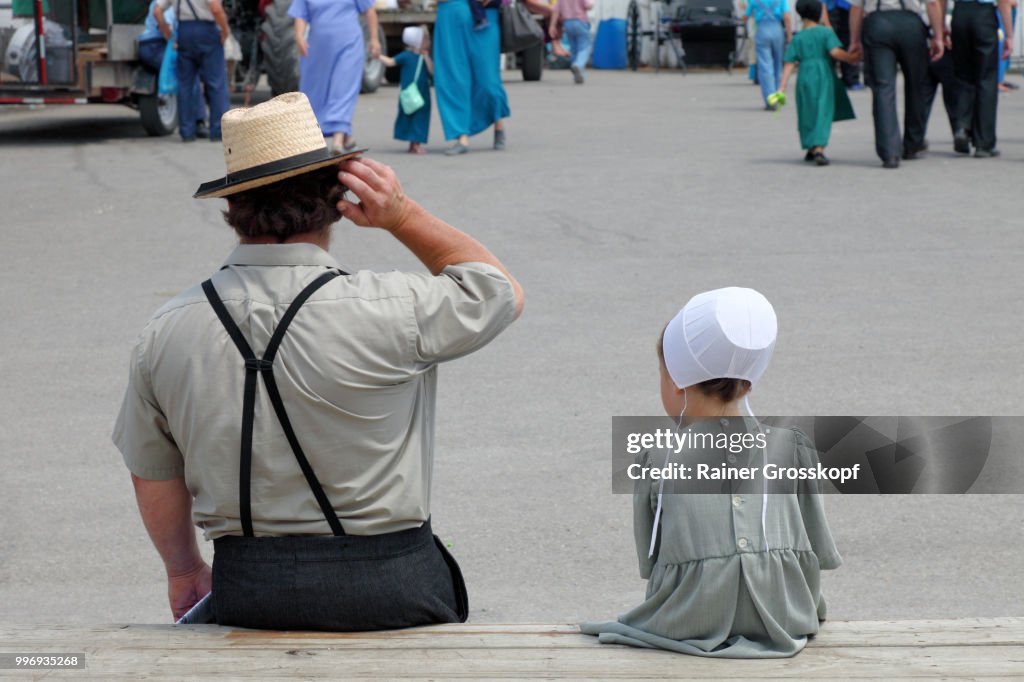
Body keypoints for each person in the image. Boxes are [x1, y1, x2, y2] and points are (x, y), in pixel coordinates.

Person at [112, 92, 524, 630]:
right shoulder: (392, 306)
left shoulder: (166, 330)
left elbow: (153, 473)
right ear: (335, 198)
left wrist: (184, 570)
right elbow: (500, 291)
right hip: (393, 587)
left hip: (249, 590)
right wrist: (402, 217)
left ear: (233, 208)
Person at [580, 287, 841, 658]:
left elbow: (651, 563)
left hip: (688, 619)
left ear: (676, 381)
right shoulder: (793, 447)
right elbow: (819, 551)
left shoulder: (658, 459)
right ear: (750, 379)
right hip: (787, 616)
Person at [848, 0, 945, 168]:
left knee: (883, 88)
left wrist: (855, 41)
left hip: (877, 24)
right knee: (916, 85)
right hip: (910, 25)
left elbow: (856, 7)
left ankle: (889, 152)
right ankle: (913, 143)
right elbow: (933, 3)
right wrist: (938, 36)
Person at [289, 0, 382, 152]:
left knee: (342, 88)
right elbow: (300, 14)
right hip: (318, 48)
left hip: (349, 44)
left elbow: (369, 11)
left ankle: (338, 140)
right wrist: (299, 35)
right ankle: (347, 138)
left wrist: (374, 39)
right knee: (315, 92)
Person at [777, 0, 860, 165]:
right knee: (823, 110)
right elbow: (835, 52)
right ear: (818, 13)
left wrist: (782, 87)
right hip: (823, 74)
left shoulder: (797, 37)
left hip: (804, 76)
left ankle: (809, 146)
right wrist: (851, 58)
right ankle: (819, 149)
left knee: (806, 110)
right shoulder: (825, 33)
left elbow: (789, 63)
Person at [434, 0, 510, 155]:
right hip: (450, 9)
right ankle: (462, 136)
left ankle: (498, 122)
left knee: (488, 80)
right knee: (453, 78)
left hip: (485, 12)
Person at [155, 0, 230, 143]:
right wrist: (225, 30)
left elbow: (157, 11)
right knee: (215, 83)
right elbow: (216, 8)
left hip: (184, 32)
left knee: (185, 85)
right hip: (207, 31)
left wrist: (167, 33)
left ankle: (187, 132)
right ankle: (218, 131)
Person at [950, 0, 1013, 157]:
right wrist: (1009, 34)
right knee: (987, 78)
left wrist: (939, 29)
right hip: (983, 14)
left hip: (960, 13)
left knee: (963, 75)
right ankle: (984, 143)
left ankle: (962, 127)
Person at [140, 0, 209, 138]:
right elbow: (164, 24)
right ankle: (198, 122)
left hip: (148, 45)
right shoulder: (172, 4)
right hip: (158, 45)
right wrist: (174, 41)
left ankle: (190, 124)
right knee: (189, 73)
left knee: (186, 74)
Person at [378, 26, 433, 154]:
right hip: (410, 93)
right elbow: (391, 62)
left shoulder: (424, 57)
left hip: (422, 93)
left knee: (420, 117)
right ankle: (413, 143)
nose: (428, 42)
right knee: (409, 116)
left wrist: (426, 58)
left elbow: (432, 71)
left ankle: (416, 143)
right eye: (425, 39)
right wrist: (378, 56)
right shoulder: (407, 55)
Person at [746, 0, 793, 110]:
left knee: (765, 66)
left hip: (762, 29)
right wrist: (790, 35)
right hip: (777, 30)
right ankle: (778, 93)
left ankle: (770, 98)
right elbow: (786, 16)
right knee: (778, 65)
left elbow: (746, 15)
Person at [549, 0, 595, 84]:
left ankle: (577, 76)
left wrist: (552, 25)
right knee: (585, 47)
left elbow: (556, 10)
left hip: (567, 23)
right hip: (580, 21)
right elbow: (589, 6)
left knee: (574, 50)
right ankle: (578, 65)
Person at [826, 0, 864, 87]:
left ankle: (851, 78)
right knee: (833, 44)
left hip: (849, 7)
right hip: (833, 8)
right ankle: (833, 78)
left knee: (849, 41)